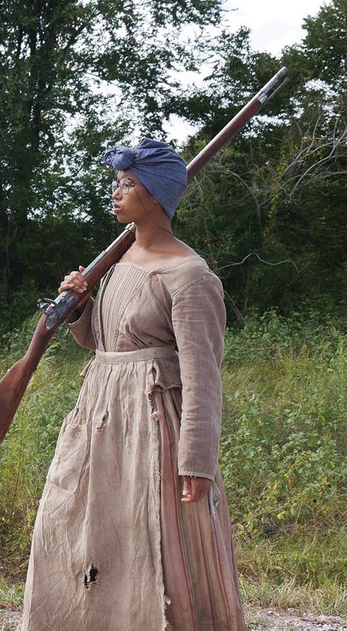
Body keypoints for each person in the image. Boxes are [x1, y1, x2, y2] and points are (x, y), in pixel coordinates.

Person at [21, 139, 246, 630]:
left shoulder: (190, 276)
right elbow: (103, 345)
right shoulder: (120, 264)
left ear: (157, 195)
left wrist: (197, 462)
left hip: (153, 428)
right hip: (98, 420)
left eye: (128, 185)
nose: (116, 194)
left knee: (157, 543)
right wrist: (77, 306)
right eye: (117, 184)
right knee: (77, 529)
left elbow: (203, 378)